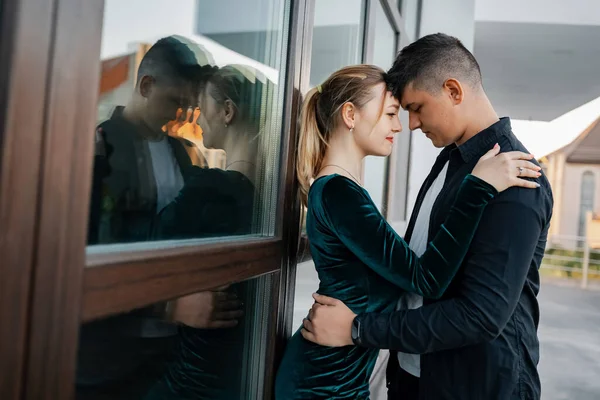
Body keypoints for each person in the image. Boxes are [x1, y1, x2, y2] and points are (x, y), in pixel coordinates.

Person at [301, 34, 553, 400]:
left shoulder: (515, 177)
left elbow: (480, 316)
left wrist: (358, 329)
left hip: (476, 387)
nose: (412, 124)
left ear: (453, 91)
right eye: (401, 112)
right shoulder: (452, 161)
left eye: (417, 107)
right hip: (416, 379)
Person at [78, 37, 239, 399]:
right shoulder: (97, 150)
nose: (180, 116)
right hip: (106, 364)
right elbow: (86, 264)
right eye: (175, 102)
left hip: (168, 358)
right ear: (146, 86)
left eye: (188, 106)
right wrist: (169, 307)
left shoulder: (186, 155)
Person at [145, 64, 266, 399]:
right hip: (239, 374)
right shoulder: (272, 197)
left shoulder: (213, 187)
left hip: (194, 379)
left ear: (228, 111)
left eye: (202, 108)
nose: (196, 120)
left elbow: (142, 249)